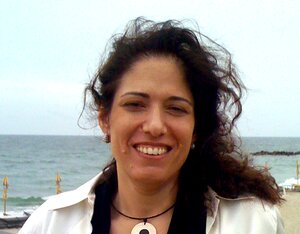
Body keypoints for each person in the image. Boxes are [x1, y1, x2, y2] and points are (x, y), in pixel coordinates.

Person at [19, 18, 284, 234]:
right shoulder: (49, 224)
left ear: (197, 128)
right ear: (105, 119)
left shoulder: (254, 223)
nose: (156, 126)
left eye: (176, 108)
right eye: (135, 104)